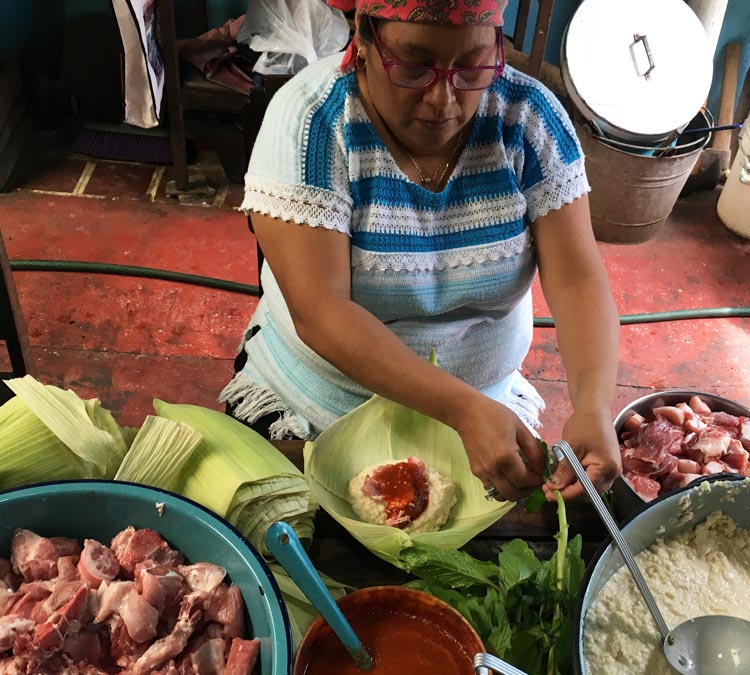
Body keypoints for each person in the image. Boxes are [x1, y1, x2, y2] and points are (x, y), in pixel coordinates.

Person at [220, 0, 622, 502]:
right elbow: (321, 310)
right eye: (414, 66)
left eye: (472, 66)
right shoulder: (313, 125)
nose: (443, 99)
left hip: (486, 407)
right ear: (364, 41)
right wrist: (460, 410)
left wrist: (593, 405)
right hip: (323, 409)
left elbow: (578, 277)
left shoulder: (527, 118)